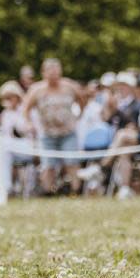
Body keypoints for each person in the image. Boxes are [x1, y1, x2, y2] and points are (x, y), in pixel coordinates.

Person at [21, 58, 82, 195]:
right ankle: (48, 192)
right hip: (47, 134)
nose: (53, 73)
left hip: (68, 133)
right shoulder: (37, 90)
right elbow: (25, 109)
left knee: (71, 162)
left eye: (56, 69)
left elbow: (82, 100)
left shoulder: (70, 86)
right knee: (48, 165)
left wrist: (78, 117)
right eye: (50, 70)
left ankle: (75, 191)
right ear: (43, 72)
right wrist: (29, 123)